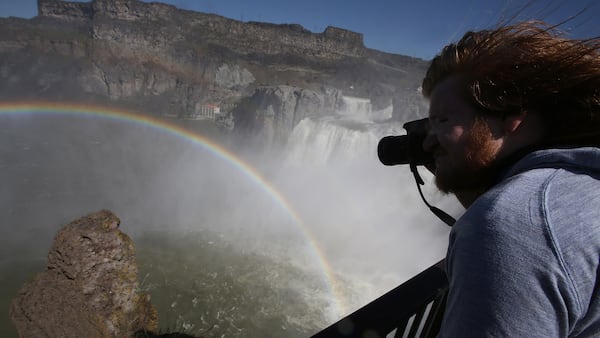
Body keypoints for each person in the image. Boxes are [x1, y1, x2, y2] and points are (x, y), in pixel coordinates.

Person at [420, 21, 600, 337]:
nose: (426, 142)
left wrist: (488, 214)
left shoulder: (513, 226)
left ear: (509, 113)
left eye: (443, 120)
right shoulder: (583, 187)